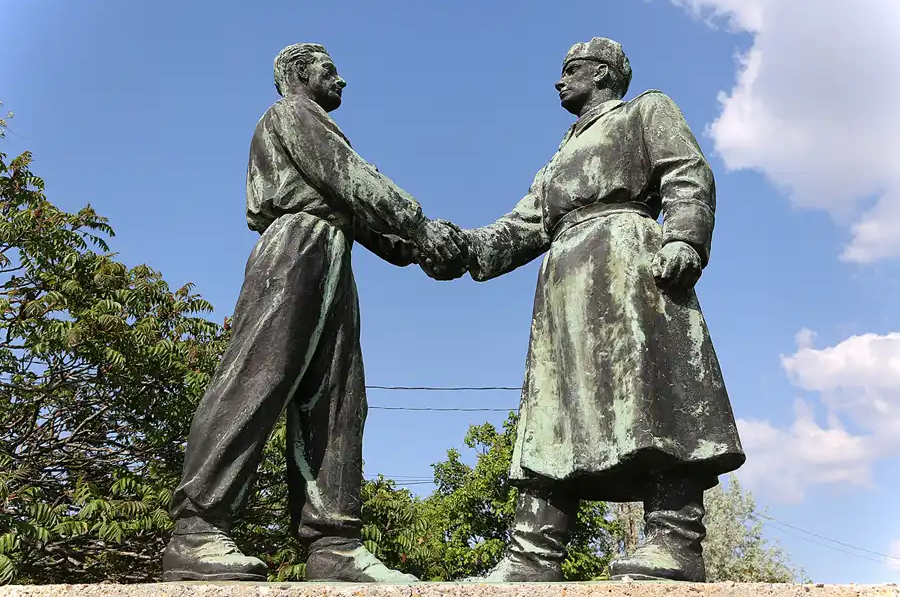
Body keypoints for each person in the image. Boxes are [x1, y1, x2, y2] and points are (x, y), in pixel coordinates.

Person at [432, 37, 745, 583]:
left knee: (653, 396)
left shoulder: (645, 110)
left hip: (628, 265)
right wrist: (461, 248)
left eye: (570, 71)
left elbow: (686, 172)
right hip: (564, 285)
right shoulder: (559, 157)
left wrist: (685, 240)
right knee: (550, 413)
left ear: (602, 74)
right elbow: (526, 224)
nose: (559, 82)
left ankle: (674, 539)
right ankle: (533, 553)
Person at [162, 43, 466, 582]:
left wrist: (420, 247)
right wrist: (420, 228)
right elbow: (350, 177)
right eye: (330, 70)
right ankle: (198, 529)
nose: (341, 79)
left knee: (340, 396)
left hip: (330, 251)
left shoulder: (315, 127)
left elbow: (360, 215)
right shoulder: (293, 114)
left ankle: (334, 544)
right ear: (301, 74)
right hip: (294, 246)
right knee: (257, 378)